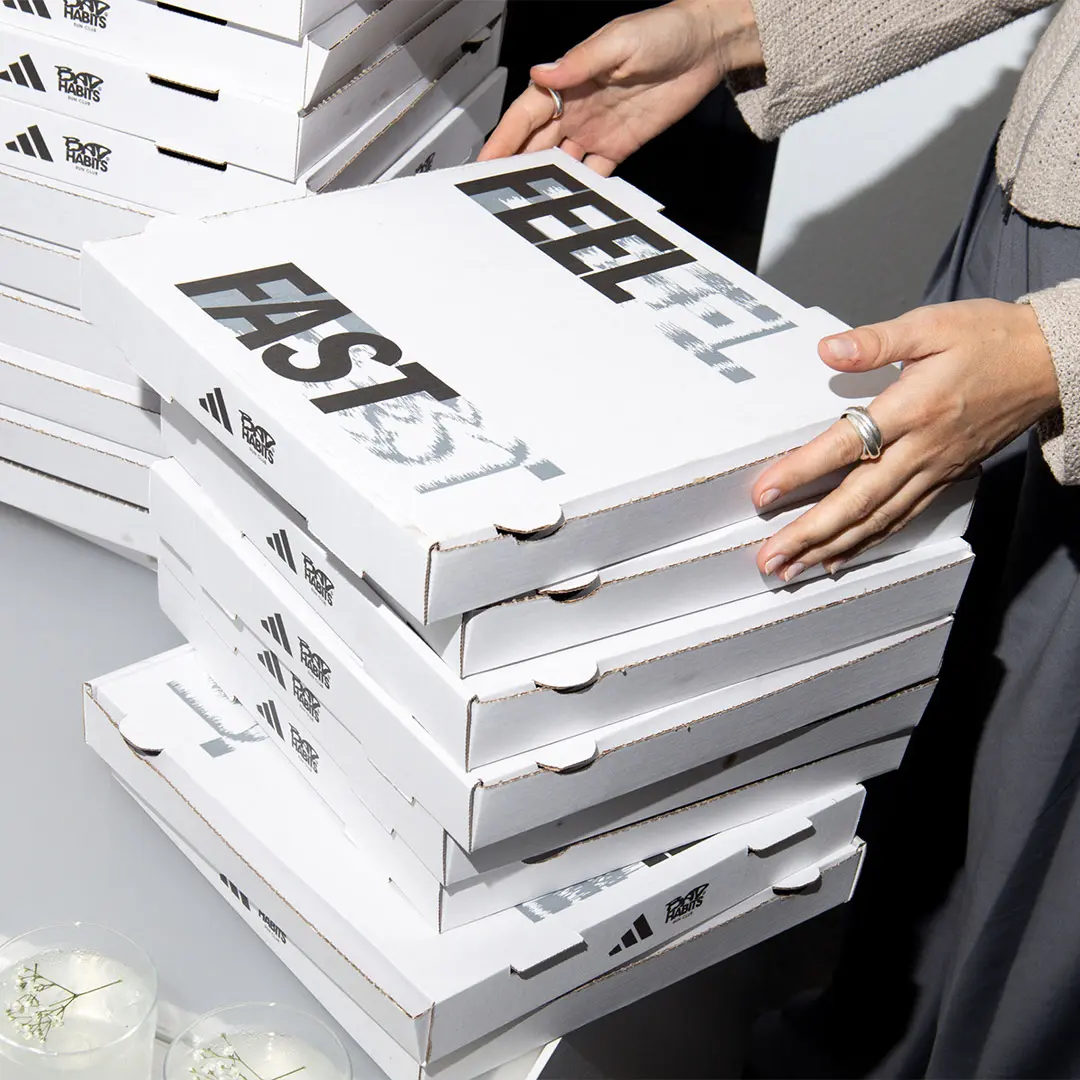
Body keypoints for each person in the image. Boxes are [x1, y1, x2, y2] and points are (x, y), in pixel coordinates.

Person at [480, 2, 1080, 1077]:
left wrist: (1062, 358)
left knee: (1035, 908)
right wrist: (737, 30)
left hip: (1052, 339)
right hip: (1028, 237)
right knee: (926, 766)